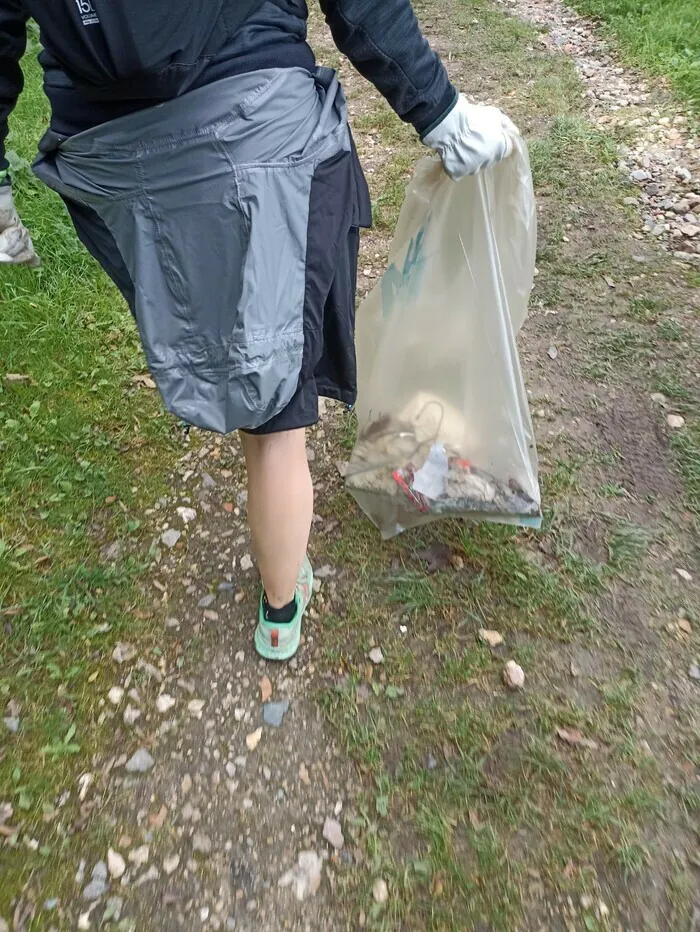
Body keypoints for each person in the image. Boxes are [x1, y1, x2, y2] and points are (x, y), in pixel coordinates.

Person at [0, 0, 517, 661]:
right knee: (277, 390)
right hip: (257, 116)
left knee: (224, 323)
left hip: (111, 157)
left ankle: (242, 398)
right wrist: (439, 111)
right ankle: (280, 609)